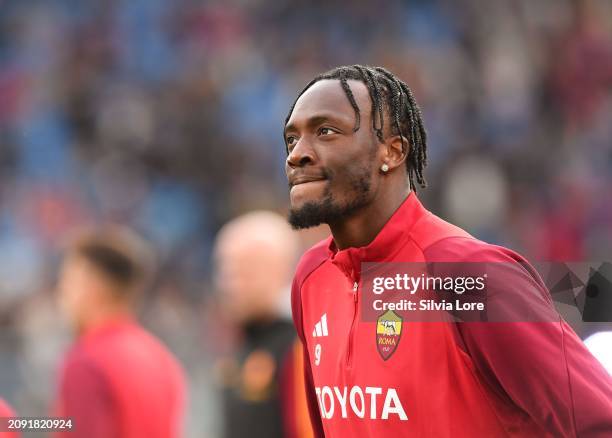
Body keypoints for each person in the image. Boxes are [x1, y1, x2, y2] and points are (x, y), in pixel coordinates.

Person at [284, 65, 612, 437]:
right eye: (291, 139)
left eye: (325, 131)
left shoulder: (466, 275)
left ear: (392, 151)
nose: (298, 155)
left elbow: (598, 422)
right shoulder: (311, 278)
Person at [54, 226, 186, 438]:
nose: (61, 293)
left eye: (67, 281)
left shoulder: (88, 361)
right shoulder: (161, 358)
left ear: (92, 286)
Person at [214, 211, 313, 438]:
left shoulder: (299, 345)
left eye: (243, 273)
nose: (229, 285)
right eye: (225, 271)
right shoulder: (245, 339)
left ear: (279, 270)